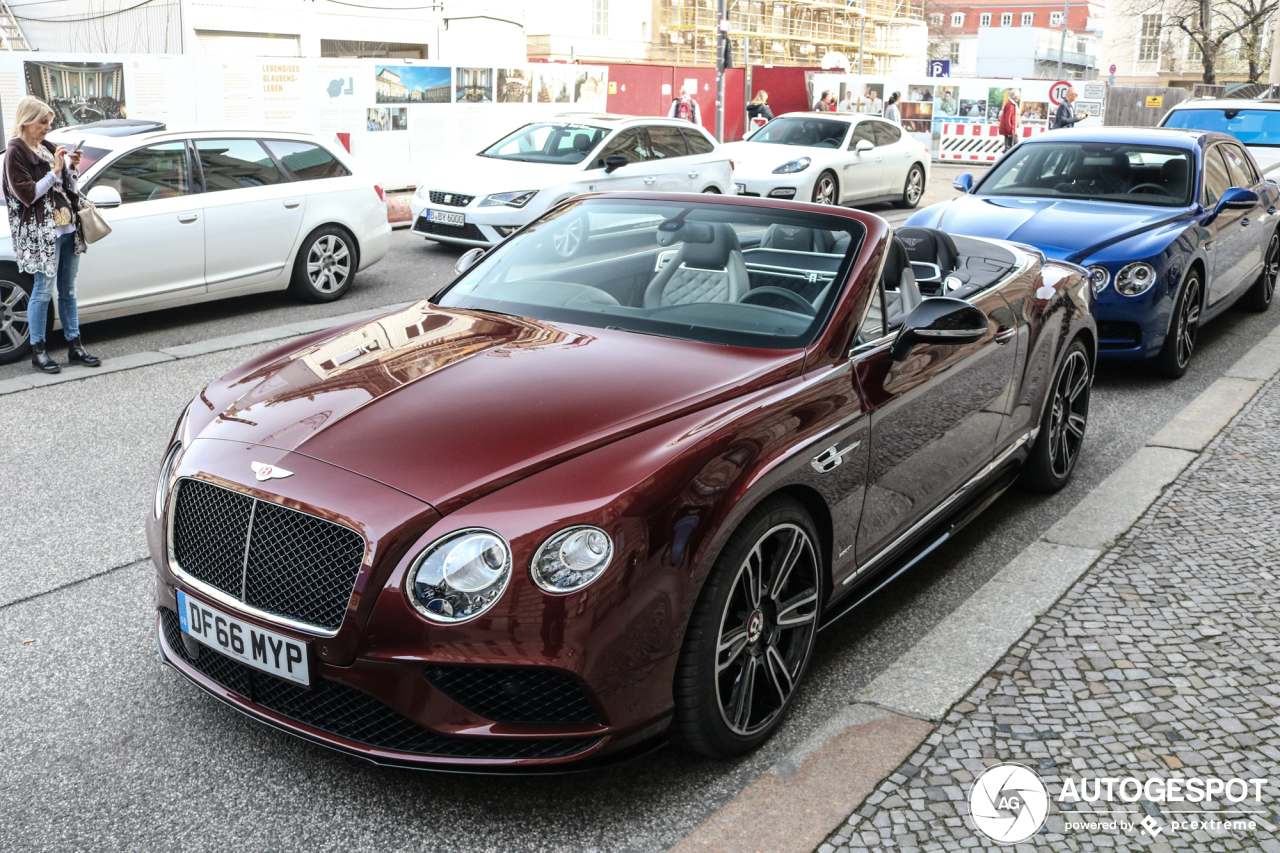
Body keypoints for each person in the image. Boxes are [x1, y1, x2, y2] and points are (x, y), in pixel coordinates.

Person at [4, 96, 96, 374]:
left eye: (49, 123)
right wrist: (56, 171)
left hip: (67, 228)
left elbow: (66, 187)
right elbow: (29, 195)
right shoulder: (15, 153)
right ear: (26, 121)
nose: (47, 128)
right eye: (43, 122)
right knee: (42, 291)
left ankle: (75, 347)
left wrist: (71, 168)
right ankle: (39, 352)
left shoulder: (44, 146)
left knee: (68, 290)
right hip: (41, 234)